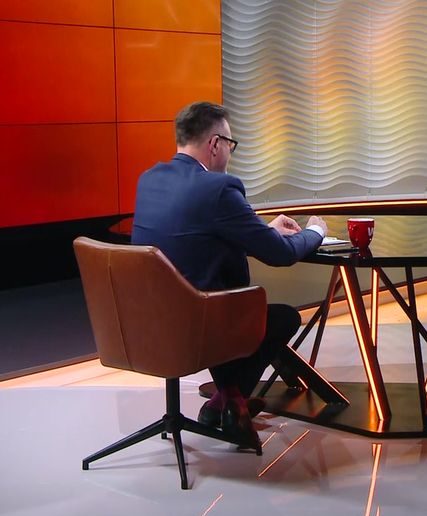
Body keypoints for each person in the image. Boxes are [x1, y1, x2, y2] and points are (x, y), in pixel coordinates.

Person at [131, 101, 328, 448]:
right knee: (282, 318)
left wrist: (262, 231)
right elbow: (280, 254)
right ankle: (230, 401)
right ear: (215, 144)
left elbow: (194, 237)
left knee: (220, 296)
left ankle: (226, 400)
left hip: (147, 323)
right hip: (197, 326)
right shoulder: (218, 188)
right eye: (230, 144)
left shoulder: (150, 180)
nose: (230, 153)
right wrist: (316, 232)